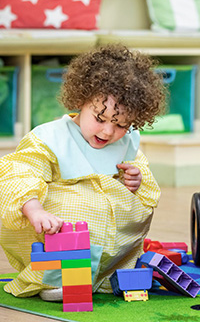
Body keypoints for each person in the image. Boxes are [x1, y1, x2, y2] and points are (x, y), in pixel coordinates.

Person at [0, 44, 167, 300]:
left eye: (121, 124)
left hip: (108, 239)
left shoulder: (127, 141)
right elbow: (22, 172)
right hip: (60, 231)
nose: (108, 132)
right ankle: (57, 280)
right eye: (100, 119)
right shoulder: (50, 138)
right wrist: (35, 209)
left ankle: (106, 273)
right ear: (81, 100)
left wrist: (134, 179)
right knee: (69, 208)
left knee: (136, 207)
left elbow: (142, 181)